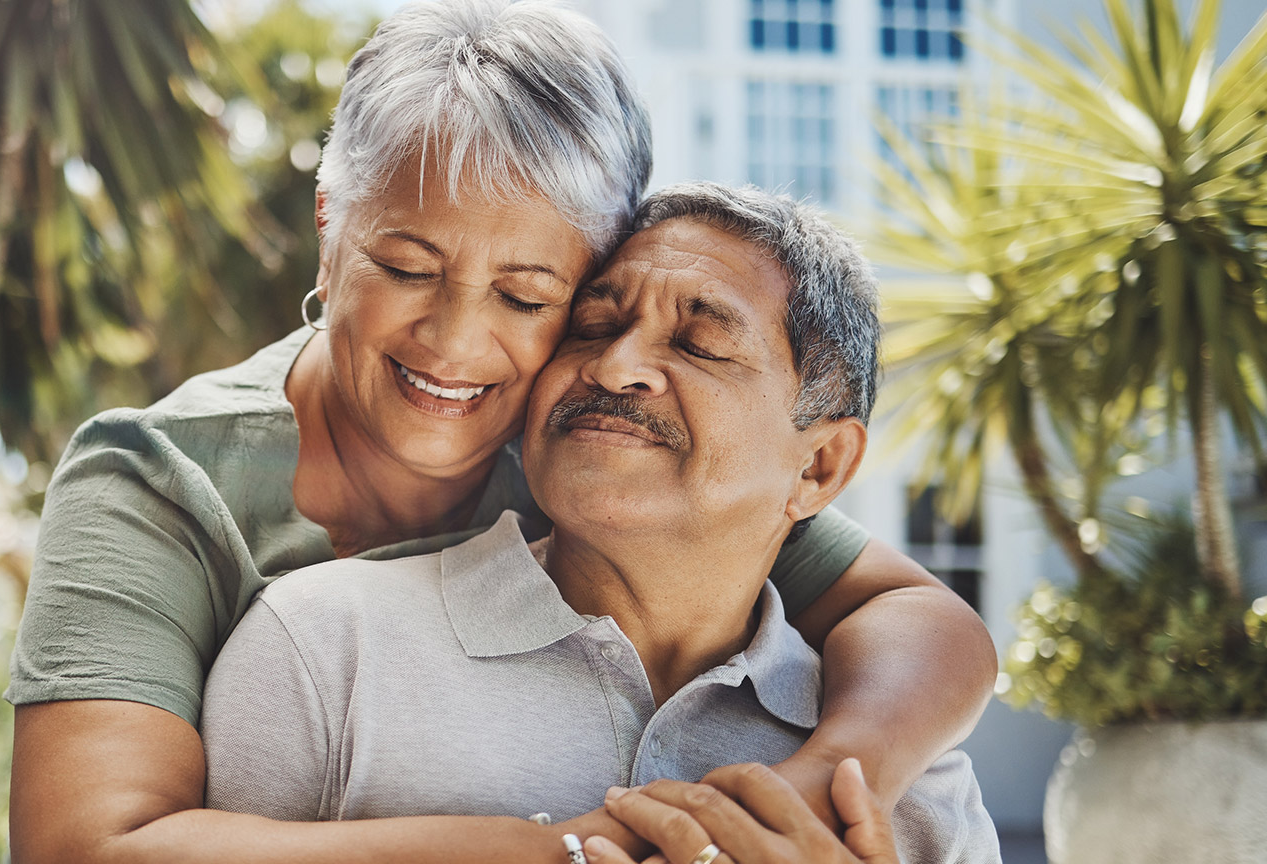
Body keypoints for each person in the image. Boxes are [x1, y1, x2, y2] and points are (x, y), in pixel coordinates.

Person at [6, 2, 997, 861]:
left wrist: (816, 790)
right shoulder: (168, 485)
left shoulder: (599, 457)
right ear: (328, 223)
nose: (454, 340)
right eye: (404, 267)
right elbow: (82, 847)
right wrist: (576, 848)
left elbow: (927, 624)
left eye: (529, 296)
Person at [199, 183, 999, 864]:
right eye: (591, 327)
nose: (616, 367)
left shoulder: (905, 778)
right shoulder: (320, 646)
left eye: (700, 344)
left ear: (817, 468)